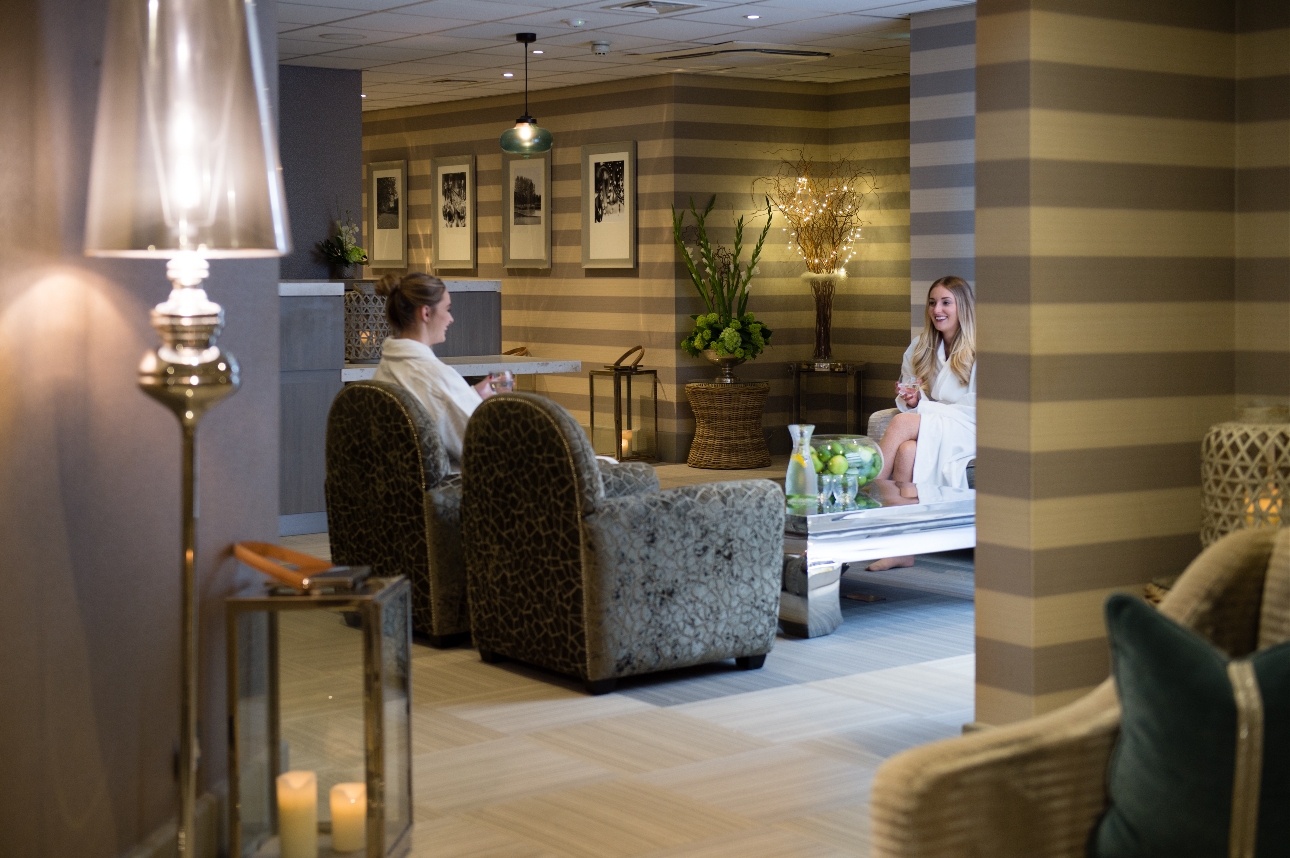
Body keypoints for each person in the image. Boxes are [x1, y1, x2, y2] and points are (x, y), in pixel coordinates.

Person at [868, 275, 976, 571]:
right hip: (939, 420)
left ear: (962, 306)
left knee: (902, 424)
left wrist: (923, 411)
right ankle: (903, 547)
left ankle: (864, 497)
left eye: (945, 302)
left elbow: (979, 403)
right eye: (932, 303)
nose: (937, 310)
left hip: (971, 423)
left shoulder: (981, 347)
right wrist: (914, 401)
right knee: (907, 452)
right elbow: (910, 391)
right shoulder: (920, 346)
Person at [370, 272, 496, 472]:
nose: (451, 318)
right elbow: (489, 451)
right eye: (447, 309)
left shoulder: (386, 369)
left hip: (398, 493)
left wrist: (469, 396)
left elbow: (434, 413)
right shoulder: (436, 377)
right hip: (452, 494)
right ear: (426, 313)